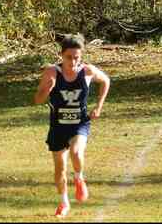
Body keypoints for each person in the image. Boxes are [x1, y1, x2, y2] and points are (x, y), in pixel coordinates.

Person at [34, 34, 110, 218]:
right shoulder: (52, 72)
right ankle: (63, 203)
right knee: (60, 169)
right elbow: (37, 100)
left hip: (79, 124)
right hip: (58, 126)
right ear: (61, 55)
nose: (73, 61)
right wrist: (48, 89)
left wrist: (98, 106)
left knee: (76, 152)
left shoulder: (87, 71)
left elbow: (106, 81)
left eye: (77, 57)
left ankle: (79, 178)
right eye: (69, 57)